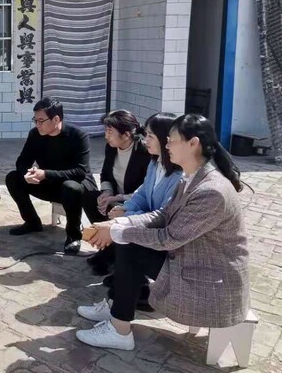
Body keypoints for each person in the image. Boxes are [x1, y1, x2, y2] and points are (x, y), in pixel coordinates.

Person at [75, 114, 249, 351]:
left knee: (130, 247)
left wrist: (117, 232)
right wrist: (119, 224)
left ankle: (119, 329)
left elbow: (169, 237)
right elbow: (163, 215)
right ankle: (118, 315)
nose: (167, 146)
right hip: (190, 260)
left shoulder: (211, 191)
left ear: (193, 144)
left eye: (171, 141)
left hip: (209, 279)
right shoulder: (191, 178)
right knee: (129, 244)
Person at [88, 112, 182, 276]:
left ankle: (122, 270)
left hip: (161, 238)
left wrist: (125, 215)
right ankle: (110, 255)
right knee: (95, 200)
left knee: (124, 234)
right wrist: (124, 207)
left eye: (150, 136)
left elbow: (162, 217)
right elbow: (143, 192)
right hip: (136, 211)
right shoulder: (155, 162)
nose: (146, 140)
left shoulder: (178, 175)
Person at [5, 97, 98, 254]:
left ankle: (73, 235)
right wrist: (27, 174)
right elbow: (22, 161)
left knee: (70, 187)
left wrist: (46, 174)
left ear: (56, 119)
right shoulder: (35, 134)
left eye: (41, 121)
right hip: (48, 183)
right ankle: (32, 221)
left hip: (76, 186)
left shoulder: (77, 136)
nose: (37, 124)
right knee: (13, 178)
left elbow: (80, 171)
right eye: (35, 120)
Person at [83, 110, 152, 274]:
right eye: (105, 130)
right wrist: (106, 192)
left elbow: (146, 190)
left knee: (115, 209)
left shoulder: (144, 152)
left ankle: (113, 253)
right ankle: (107, 247)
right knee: (89, 197)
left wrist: (118, 199)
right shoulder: (111, 148)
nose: (106, 136)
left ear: (126, 134)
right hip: (115, 197)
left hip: (134, 203)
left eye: (110, 131)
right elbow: (105, 174)